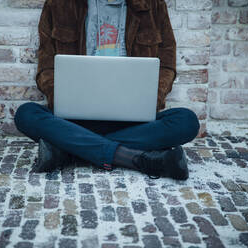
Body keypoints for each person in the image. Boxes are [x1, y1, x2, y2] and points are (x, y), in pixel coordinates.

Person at [14, 0, 200, 180]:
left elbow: (167, 66)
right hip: (75, 121)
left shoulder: (153, 5)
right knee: (26, 114)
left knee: (186, 121)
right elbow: (46, 69)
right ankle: (137, 159)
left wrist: (150, 99)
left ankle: (66, 151)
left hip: (134, 122)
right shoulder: (58, 4)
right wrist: (65, 99)